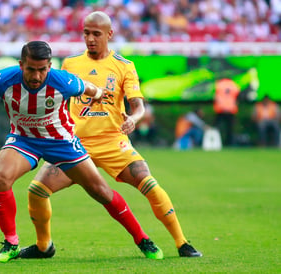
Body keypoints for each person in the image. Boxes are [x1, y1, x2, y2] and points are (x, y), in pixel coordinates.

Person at [0, 41, 163, 263]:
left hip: (61, 143)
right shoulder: (3, 80)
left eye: (42, 69)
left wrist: (98, 94)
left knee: (101, 191)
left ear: (49, 66)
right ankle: (11, 243)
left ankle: (142, 238)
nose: (36, 76)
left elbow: (88, 88)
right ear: (21, 65)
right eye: (31, 69)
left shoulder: (62, 81)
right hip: (23, 139)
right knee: (0, 177)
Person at [20, 12, 202, 259]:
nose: (90, 38)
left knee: (146, 180)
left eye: (96, 33)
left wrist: (134, 119)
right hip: (74, 144)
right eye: (86, 33)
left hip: (111, 141)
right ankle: (44, 246)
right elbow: (58, 100)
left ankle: (182, 243)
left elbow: (138, 105)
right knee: (37, 190)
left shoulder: (124, 66)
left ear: (109, 34)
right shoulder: (71, 64)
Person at [213, 78, 240, 146]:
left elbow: (215, 96)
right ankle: (229, 143)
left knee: (217, 128)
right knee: (230, 129)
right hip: (230, 109)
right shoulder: (233, 84)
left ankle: (215, 143)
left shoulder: (219, 84)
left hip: (221, 109)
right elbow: (237, 95)